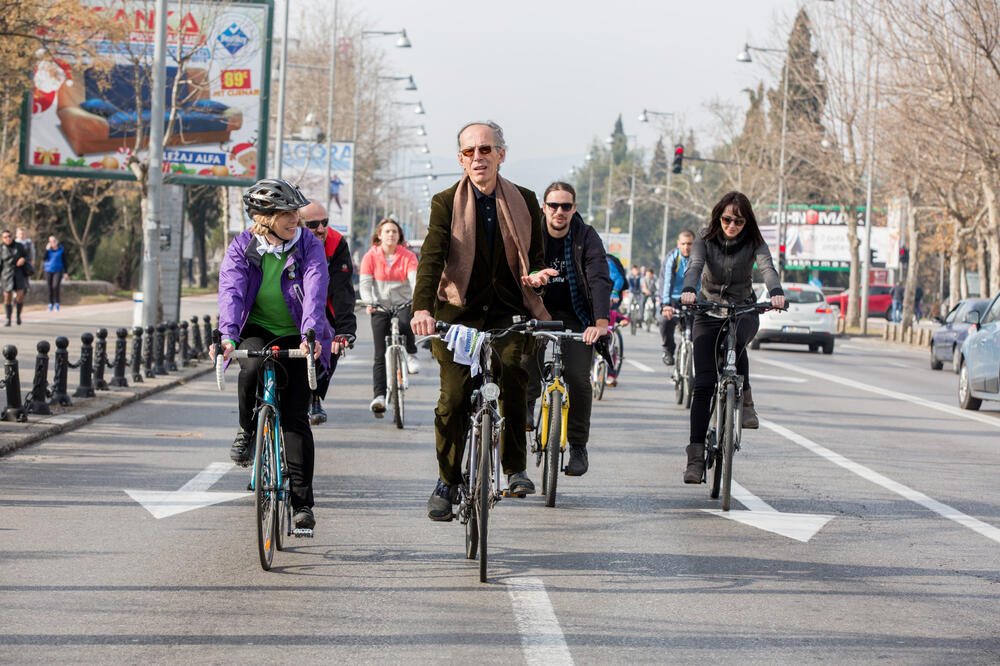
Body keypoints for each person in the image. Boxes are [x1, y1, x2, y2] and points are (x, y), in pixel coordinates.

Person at [411, 120, 556, 521]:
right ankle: (448, 480)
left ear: (501, 154)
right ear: (460, 159)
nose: (478, 157)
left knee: (513, 377)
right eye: (470, 151)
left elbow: (537, 259)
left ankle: (514, 469)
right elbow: (432, 258)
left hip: (509, 313)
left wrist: (539, 277)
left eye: (486, 149)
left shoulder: (526, 200)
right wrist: (422, 308)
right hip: (458, 317)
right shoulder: (444, 202)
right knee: (454, 399)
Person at [214, 178, 336, 531]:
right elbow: (232, 292)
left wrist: (310, 333)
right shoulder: (241, 247)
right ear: (264, 218)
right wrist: (227, 336)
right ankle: (246, 430)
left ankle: (302, 506)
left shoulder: (308, 246)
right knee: (249, 364)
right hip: (256, 327)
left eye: (295, 212)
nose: (294, 219)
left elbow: (315, 289)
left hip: (298, 331)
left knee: (295, 419)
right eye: (285, 214)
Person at [679, 191, 785, 484]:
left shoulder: (755, 243)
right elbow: (695, 267)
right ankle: (696, 457)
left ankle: (746, 399)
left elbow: (767, 270)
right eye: (726, 219)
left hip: (742, 309)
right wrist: (689, 290)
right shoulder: (704, 239)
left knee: (738, 341)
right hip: (707, 310)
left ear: (746, 221)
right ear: (718, 217)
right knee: (703, 385)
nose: (732, 225)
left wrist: (775, 292)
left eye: (738, 220)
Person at [524, 182, 611, 477]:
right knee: (525, 356)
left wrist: (599, 323)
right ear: (544, 208)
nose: (559, 212)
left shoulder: (586, 237)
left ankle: (577, 446)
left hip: (576, 313)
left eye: (566, 206)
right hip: (537, 309)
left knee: (578, 377)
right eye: (553, 206)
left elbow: (599, 277)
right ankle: (528, 401)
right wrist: (532, 278)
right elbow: (518, 266)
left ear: (574, 208)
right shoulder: (532, 233)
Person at [300, 201, 357, 425]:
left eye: (325, 222)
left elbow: (342, 290)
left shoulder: (336, 242)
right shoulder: (288, 240)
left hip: (325, 304)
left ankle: (315, 396)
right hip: (294, 303)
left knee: (332, 344)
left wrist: (345, 331)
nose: (321, 229)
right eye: (313, 224)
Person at [359, 217, 421, 416]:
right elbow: (365, 285)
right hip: (380, 306)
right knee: (379, 354)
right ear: (379, 235)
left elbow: (415, 282)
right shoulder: (370, 256)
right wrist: (369, 302)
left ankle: (410, 353)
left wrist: (418, 301)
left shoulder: (408, 256)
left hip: (403, 302)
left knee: (405, 321)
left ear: (399, 235)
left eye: (394, 231)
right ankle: (379, 396)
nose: (391, 235)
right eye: (387, 231)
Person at [658, 230, 695, 365]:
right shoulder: (672, 257)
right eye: (683, 244)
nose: (686, 247)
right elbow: (666, 281)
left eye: (690, 244)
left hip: (694, 299)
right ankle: (668, 350)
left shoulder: (699, 258)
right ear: (678, 244)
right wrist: (666, 304)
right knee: (665, 321)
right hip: (673, 299)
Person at [1, 230, 30, 326]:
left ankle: (18, 316)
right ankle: (8, 319)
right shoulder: (1, 249)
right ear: (2, 238)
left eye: (9, 236)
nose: (8, 238)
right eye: (5, 237)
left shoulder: (19, 246)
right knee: (7, 296)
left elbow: (27, 256)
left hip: (19, 273)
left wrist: (23, 259)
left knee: (20, 296)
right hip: (7, 274)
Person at [43, 235, 66, 311]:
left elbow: (65, 261)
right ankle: (50, 303)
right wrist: (46, 250)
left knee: (55, 286)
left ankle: (57, 303)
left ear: (57, 241)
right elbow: (44, 258)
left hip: (58, 270)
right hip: (48, 270)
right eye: (50, 241)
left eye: (54, 241)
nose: (52, 243)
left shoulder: (61, 250)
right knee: (49, 288)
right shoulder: (48, 250)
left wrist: (66, 272)